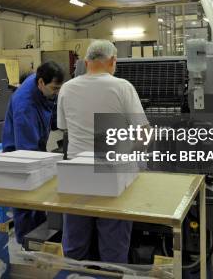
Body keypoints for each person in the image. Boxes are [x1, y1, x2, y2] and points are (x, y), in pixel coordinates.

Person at [57, 40, 148, 263]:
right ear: (113, 61)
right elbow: (144, 135)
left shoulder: (66, 88)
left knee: (75, 244)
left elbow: (64, 129)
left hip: (77, 174)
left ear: (86, 62)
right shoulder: (122, 87)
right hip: (112, 172)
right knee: (113, 246)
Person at [2, 61, 65, 244]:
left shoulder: (43, 86)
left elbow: (51, 111)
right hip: (19, 153)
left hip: (36, 145)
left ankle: (39, 238)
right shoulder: (25, 105)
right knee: (25, 203)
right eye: (54, 88)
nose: (57, 92)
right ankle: (25, 246)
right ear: (41, 83)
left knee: (38, 201)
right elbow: (26, 153)